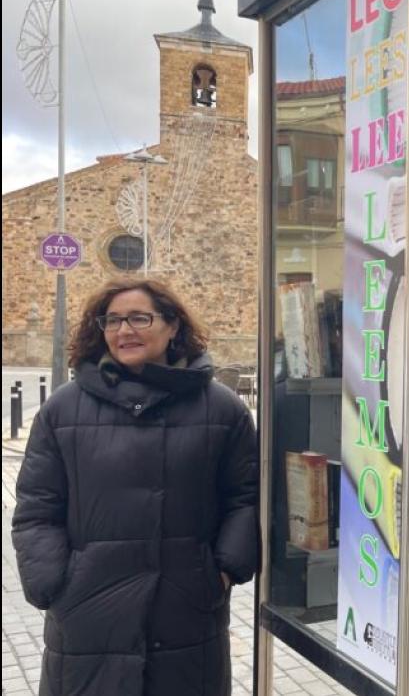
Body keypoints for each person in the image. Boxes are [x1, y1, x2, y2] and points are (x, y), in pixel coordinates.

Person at [13, 278, 259, 696]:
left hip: (187, 610)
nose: (124, 330)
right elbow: (37, 506)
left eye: (139, 318)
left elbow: (245, 497)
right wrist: (53, 583)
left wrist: (222, 570)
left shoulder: (221, 408)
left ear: (173, 326)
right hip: (87, 614)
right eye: (112, 320)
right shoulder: (63, 409)